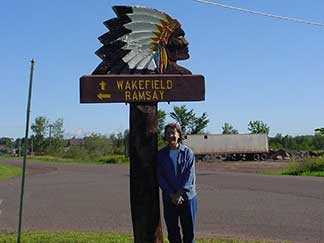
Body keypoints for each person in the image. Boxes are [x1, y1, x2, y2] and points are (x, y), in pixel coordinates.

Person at [157, 123, 197, 243]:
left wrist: (179, 194)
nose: (171, 136)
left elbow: (189, 176)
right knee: (173, 232)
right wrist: (171, 195)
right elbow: (160, 177)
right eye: (168, 133)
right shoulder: (161, 155)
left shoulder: (188, 153)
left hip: (187, 197)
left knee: (189, 232)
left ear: (179, 135)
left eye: (173, 133)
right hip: (169, 199)